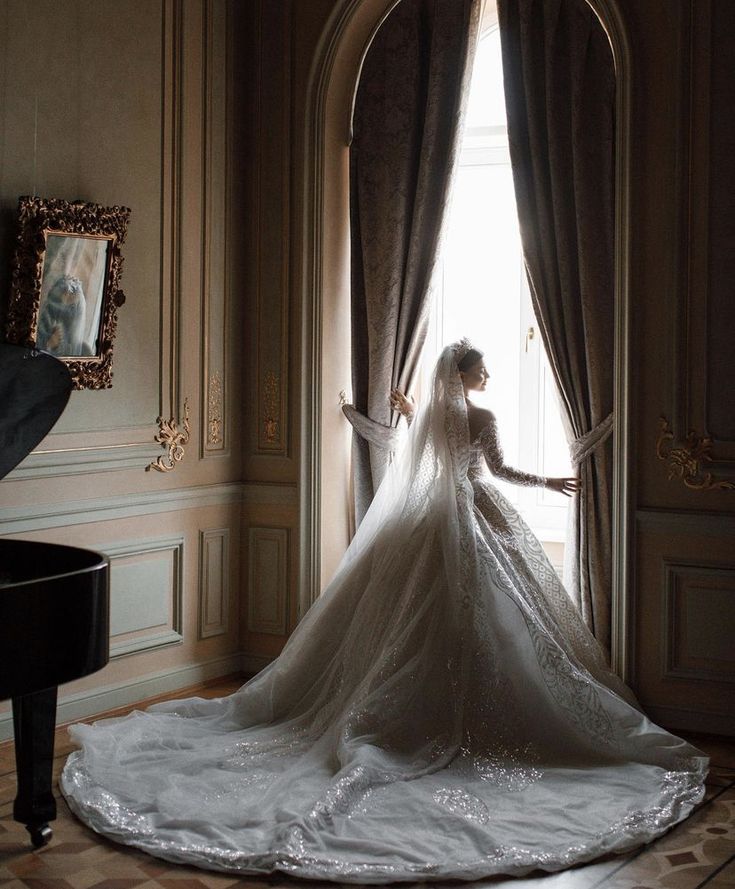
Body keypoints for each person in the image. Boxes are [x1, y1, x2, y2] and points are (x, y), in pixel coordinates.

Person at [62, 339, 707, 883]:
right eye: (481, 372)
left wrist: (408, 411)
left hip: (427, 527)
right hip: (475, 522)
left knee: (416, 627)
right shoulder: (477, 419)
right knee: (492, 626)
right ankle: (451, 722)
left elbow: (415, 461)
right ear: (465, 376)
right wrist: (550, 484)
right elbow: (499, 472)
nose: (486, 379)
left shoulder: (431, 415)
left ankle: (421, 715)